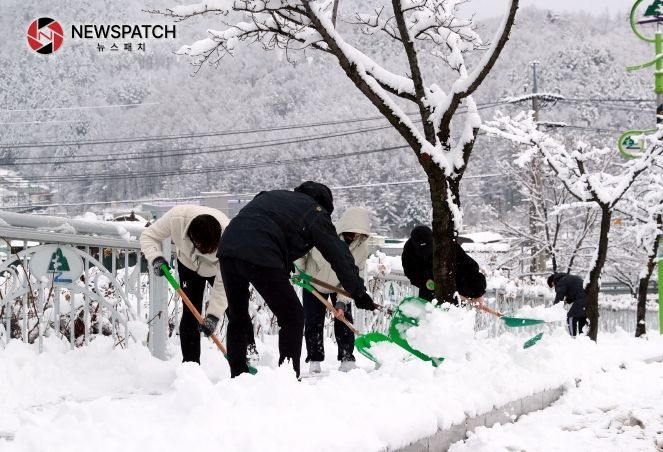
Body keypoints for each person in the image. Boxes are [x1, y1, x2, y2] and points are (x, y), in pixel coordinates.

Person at [214, 181, 377, 378]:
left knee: (237, 317)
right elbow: (338, 255)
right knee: (292, 316)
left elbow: (269, 225)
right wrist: (358, 292)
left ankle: (238, 376)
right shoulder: (315, 211)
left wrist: (283, 262)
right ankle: (288, 378)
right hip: (261, 252)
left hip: (228, 247)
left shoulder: (273, 196)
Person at [140, 205, 257, 364]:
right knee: (190, 313)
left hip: (219, 268)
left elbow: (223, 284)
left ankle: (249, 355)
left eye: (212, 250)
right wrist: (155, 257)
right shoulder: (176, 219)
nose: (207, 253)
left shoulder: (230, 237)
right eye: (205, 250)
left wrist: (213, 315)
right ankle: (190, 365)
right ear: (191, 239)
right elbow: (149, 235)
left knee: (236, 309)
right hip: (188, 264)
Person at [297, 206, 371, 374]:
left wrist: (341, 303)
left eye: (359, 234)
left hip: (339, 286)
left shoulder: (362, 248)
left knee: (344, 320)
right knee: (313, 322)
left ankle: (347, 358)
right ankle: (314, 359)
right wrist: (300, 272)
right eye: (352, 233)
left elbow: (355, 275)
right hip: (313, 283)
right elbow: (301, 252)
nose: (354, 237)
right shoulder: (323, 234)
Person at [401, 225, 486, 303]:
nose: (425, 253)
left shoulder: (446, 243)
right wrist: (424, 282)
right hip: (428, 293)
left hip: (453, 291)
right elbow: (411, 273)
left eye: (428, 249)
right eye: (421, 251)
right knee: (429, 316)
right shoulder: (409, 251)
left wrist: (477, 293)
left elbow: (469, 266)